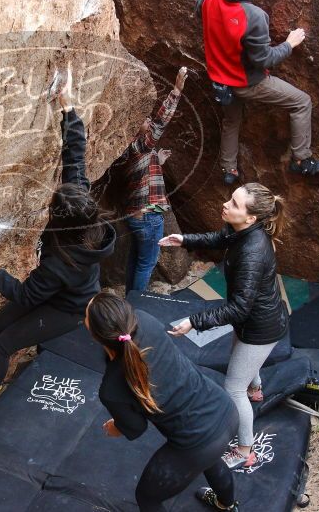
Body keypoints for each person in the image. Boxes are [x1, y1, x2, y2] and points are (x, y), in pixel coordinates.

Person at [0, 74, 116, 429]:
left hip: (68, 307)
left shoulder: (60, 262)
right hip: (60, 292)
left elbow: (25, 294)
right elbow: (75, 156)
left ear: (61, 218)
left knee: (4, 343)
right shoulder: (81, 210)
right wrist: (67, 105)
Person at [159, 183, 288, 469]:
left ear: (251, 218)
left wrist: (194, 322)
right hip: (254, 320)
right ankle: (256, 389)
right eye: (230, 198)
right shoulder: (242, 231)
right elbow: (219, 238)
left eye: (234, 203)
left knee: (233, 388)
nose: (226, 204)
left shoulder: (253, 251)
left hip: (260, 327)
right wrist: (184, 238)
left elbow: (239, 307)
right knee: (241, 357)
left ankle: (244, 450)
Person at [87, 292, 240, 512]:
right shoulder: (145, 320)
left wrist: (115, 426)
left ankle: (226, 503)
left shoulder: (111, 388)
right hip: (225, 411)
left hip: (199, 443)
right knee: (211, 458)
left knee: (147, 498)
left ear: (94, 335)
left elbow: (136, 427)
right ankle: (227, 504)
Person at [195, 0, 319, 184]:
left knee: (231, 121)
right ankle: (302, 160)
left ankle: (228, 169)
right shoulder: (254, 16)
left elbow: (199, 13)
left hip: (220, 80)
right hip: (247, 83)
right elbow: (265, 59)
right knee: (302, 102)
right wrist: (289, 44)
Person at [119, 67, 188, 295]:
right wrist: (176, 90)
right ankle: (135, 306)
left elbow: (139, 178)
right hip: (148, 216)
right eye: (143, 120)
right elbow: (160, 122)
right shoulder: (140, 145)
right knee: (146, 263)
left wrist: (158, 162)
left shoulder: (130, 151)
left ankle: (130, 299)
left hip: (134, 215)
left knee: (136, 260)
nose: (148, 120)